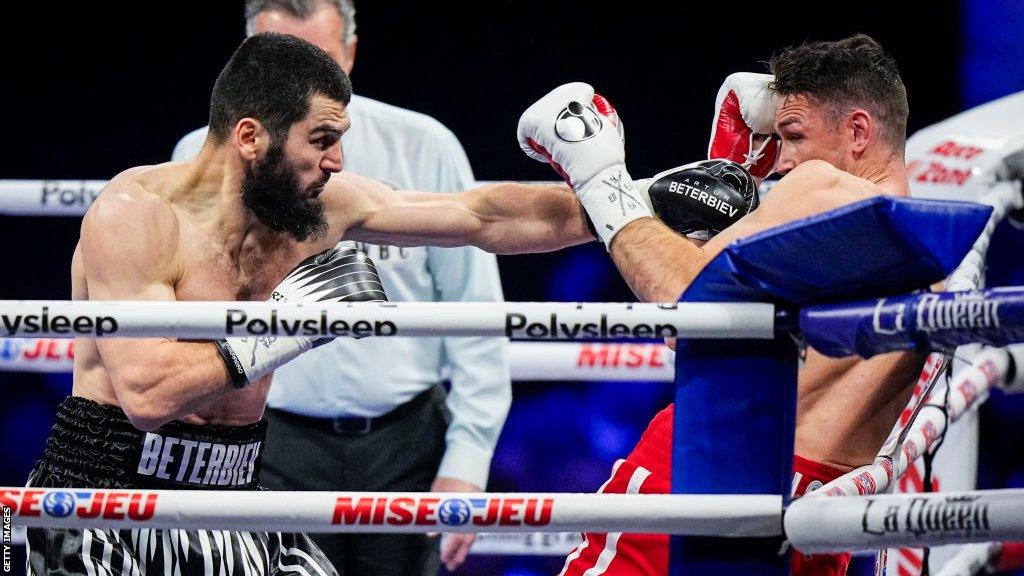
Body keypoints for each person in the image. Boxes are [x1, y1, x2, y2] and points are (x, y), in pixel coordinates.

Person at [516, 35, 927, 575]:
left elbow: (686, 310)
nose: (783, 162)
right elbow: (709, 320)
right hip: (820, 513)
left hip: (711, 463)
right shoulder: (917, 236)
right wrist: (728, 186)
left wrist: (600, 177)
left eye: (795, 136)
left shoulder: (823, 187)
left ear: (856, 131)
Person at [171, 2, 508, 573]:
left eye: (318, 64)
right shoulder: (197, 163)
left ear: (350, 54)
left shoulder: (421, 146)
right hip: (264, 443)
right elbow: (180, 337)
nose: (297, 91)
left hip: (407, 444)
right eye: (278, 68)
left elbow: (474, 313)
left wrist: (467, 461)